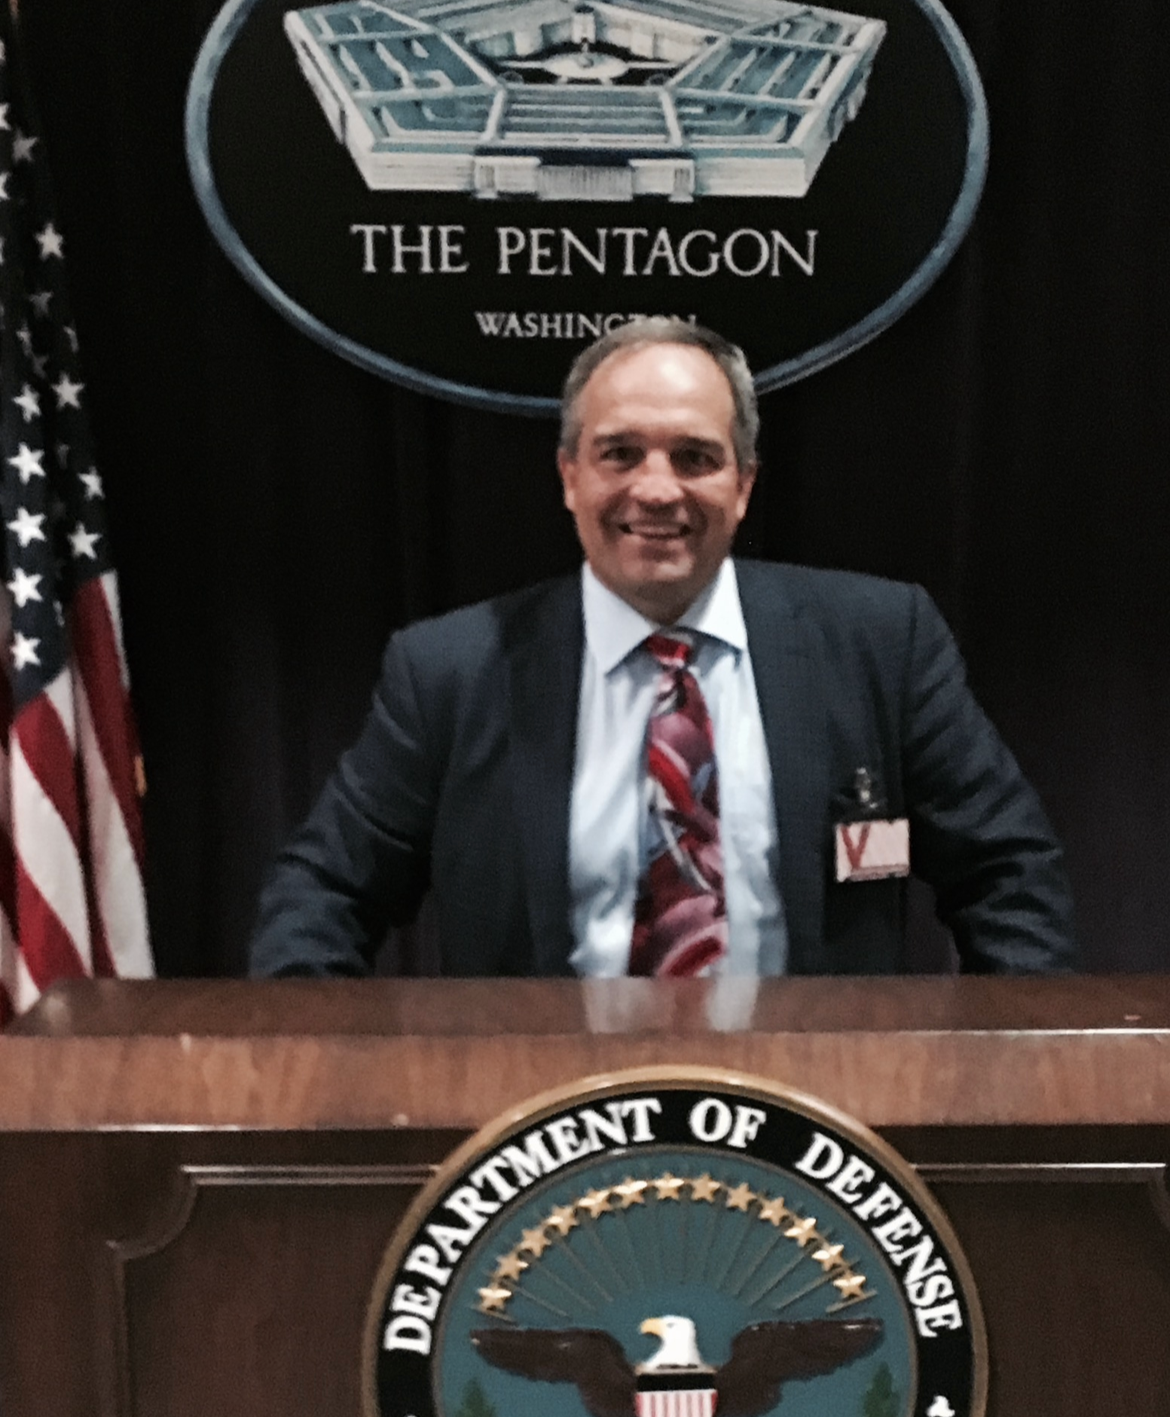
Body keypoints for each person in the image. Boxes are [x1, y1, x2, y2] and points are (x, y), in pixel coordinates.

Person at [249, 318, 1075, 979]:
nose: (656, 487)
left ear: (744, 484)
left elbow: (1009, 870)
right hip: (545, 1130)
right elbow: (321, 893)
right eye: (620, 453)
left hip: (812, 1129)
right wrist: (329, 1073)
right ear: (569, 475)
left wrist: (1005, 1071)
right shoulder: (449, 673)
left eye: (695, 457)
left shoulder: (880, 643)